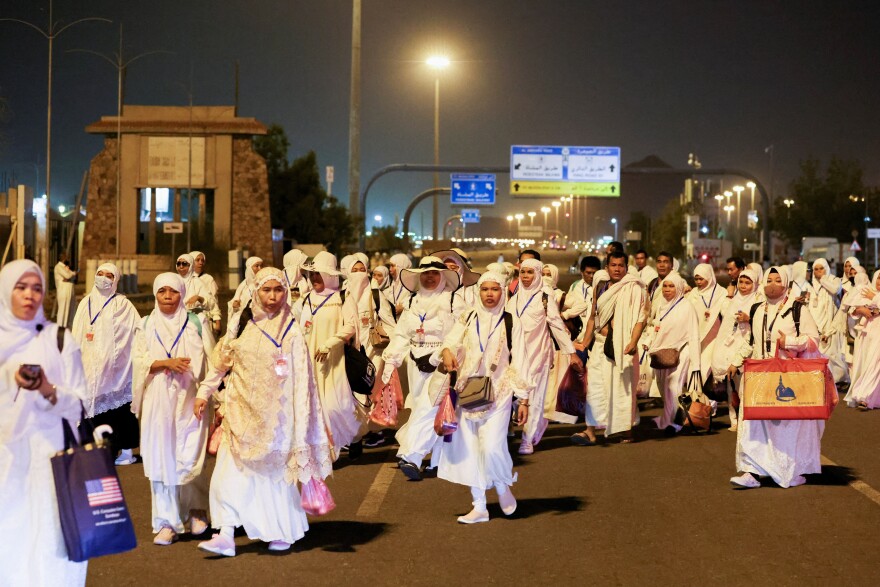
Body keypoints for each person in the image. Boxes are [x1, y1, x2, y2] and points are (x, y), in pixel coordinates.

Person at [193, 268, 332, 556]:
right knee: (225, 477)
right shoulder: (244, 326)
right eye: (266, 290)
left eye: (278, 290)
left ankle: (281, 530)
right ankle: (226, 533)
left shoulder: (292, 332)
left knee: (272, 482)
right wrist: (204, 392)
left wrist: (301, 427)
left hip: (277, 423)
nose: (272, 297)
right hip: (239, 417)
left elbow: (303, 384)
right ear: (255, 292)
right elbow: (222, 363)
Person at [0, 260, 89, 586]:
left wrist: (47, 388)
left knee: (53, 546)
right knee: (9, 546)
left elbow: (80, 404)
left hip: (53, 462)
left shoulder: (60, 339)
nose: (29, 296)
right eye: (20, 287)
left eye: (37, 288)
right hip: (7, 465)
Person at [436, 272, 529, 524]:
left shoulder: (512, 322)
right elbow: (450, 341)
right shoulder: (467, 317)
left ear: (503, 292)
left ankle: (501, 486)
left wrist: (523, 400)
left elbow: (520, 360)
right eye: (484, 289)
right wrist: (446, 352)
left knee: (491, 446)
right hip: (469, 391)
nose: (489, 294)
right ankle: (479, 506)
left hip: (500, 391)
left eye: (494, 289)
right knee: (472, 449)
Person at [132, 273, 211, 545]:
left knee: (189, 454)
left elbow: (210, 363)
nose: (167, 296)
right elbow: (138, 361)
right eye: (162, 291)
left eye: (173, 291)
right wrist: (166, 363)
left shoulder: (195, 323)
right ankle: (167, 521)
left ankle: (197, 511)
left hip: (189, 400)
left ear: (182, 293)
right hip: (158, 402)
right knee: (161, 457)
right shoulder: (145, 324)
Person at [730, 267, 826, 489]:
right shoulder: (756, 308)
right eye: (768, 280)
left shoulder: (797, 309)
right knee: (752, 425)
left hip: (787, 377)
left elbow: (814, 340)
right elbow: (753, 341)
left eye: (777, 280)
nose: (772, 284)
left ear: (786, 284)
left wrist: (789, 343)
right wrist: (735, 361)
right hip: (758, 376)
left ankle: (786, 470)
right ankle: (751, 471)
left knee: (784, 428)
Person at [381, 256, 460, 480]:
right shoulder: (412, 302)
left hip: (441, 365)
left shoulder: (453, 300)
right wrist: (391, 361)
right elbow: (401, 334)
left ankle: (411, 454)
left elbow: (459, 333)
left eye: (435, 273)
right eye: (426, 273)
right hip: (414, 364)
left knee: (429, 408)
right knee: (420, 410)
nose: (430, 277)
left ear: (443, 275)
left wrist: (437, 355)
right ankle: (436, 461)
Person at [295, 252, 365, 461]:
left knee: (337, 406)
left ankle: (355, 436)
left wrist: (328, 345)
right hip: (310, 362)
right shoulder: (306, 300)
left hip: (335, 362)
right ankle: (328, 454)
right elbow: (297, 326)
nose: (315, 279)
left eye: (320, 274)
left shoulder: (342, 298)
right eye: (313, 274)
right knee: (316, 408)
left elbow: (351, 327)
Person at [508, 258, 582, 454]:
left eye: (530, 272)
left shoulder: (544, 297)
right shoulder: (513, 299)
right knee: (517, 396)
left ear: (538, 274)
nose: (525, 277)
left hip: (539, 354)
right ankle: (529, 428)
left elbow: (556, 325)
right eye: (523, 272)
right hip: (517, 356)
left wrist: (571, 352)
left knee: (537, 397)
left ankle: (528, 438)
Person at [71, 262, 141, 465]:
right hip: (87, 364)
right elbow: (77, 332)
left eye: (108, 275)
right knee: (89, 407)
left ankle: (127, 451)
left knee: (119, 409)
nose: (103, 278)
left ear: (115, 280)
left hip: (116, 370)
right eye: (100, 273)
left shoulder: (123, 304)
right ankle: (96, 449)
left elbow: (136, 332)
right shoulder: (85, 302)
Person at [576, 251, 648, 444]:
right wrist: (585, 342)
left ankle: (626, 430)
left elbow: (641, 319)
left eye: (621, 265)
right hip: (600, 345)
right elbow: (593, 316)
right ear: (606, 268)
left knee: (622, 389)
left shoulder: (634, 288)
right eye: (613, 265)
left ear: (626, 267)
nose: (617, 269)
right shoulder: (600, 287)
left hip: (623, 346)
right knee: (596, 388)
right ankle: (591, 429)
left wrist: (633, 342)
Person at [644, 271, 701, 434]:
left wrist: (696, 364)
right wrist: (648, 342)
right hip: (662, 353)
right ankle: (669, 418)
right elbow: (657, 328)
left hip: (682, 353)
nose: (667, 289)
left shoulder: (687, 307)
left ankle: (675, 424)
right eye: (665, 286)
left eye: (671, 286)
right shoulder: (662, 305)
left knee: (673, 387)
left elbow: (694, 335)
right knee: (665, 388)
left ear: (679, 288)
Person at [710, 267, 759, 431]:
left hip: (747, 348)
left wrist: (749, 318)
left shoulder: (758, 302)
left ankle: (746, 421)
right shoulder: (734, 301)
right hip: (730, 348)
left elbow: (761, 325)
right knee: (731, 387)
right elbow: (725, 321)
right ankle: (734, 420)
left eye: (747, 283)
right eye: (741, 282)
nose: (743, 286)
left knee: (744, 388)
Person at [844, 270, 880, 410]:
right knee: (865, 364)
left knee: (875, 364)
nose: (879, 282)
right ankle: (867, 394)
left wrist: (875, 298)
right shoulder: (866, 291)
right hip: (866, 334)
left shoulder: (872, 294)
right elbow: (852, 310)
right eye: (878, 278)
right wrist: (860, 310)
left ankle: (865, 397)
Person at [810, 259, 849, 384]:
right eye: (816, 269)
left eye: (821, 268)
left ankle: (839, 379)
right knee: (819, 353)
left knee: (833, 354)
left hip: (831, 323)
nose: (818, 272)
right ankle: (825, 379)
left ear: (826, 269)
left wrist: (823, 279)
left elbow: (835, 290)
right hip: (816, 324)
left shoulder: (834, 280)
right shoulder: (811, 286)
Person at [687, 263, 725, 387]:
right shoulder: (693, 293)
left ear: (709, 277)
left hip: (713, 339)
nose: (698, 282)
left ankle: (710, 404)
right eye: (696, 279)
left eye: (701, 279)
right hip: (695, 338)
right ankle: (698, 402)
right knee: (693, 372)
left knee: (706, 373)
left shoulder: (721, 293)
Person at [175, 253, 216, 353]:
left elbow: (211, 302)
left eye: (184, 264)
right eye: (178, 263)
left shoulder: (196, 282)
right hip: (174, 320)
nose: (181, 266)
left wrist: (199, 298)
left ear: (190, 265)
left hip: (193, 321)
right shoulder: (173, 280)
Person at [227, 256, 263, 338]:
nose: (260, 268)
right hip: (243, 320)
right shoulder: (243, 285)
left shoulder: (263, 283)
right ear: (250, 268)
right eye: (257, 266)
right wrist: (235, 305)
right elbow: (234, 301)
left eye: (261, 266)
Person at [191, 251, 222, 337]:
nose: (201, 262)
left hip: (204, 319)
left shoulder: (208, 279)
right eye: (197, 260)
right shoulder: (185, 279)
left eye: (202, 260)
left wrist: (217, 320)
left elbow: (214, 301)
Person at [53, 252, 77, 328]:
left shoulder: (65, 267)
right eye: (66, 257)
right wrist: (71, 275)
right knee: (63, 310)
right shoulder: (58, 267)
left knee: (70, 310)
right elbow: (68, 275)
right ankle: (60, 327)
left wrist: (70, 276)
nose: (67, 258)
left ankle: (67, 327)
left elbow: (72, 276)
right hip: (63, 290)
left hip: (69, 290)